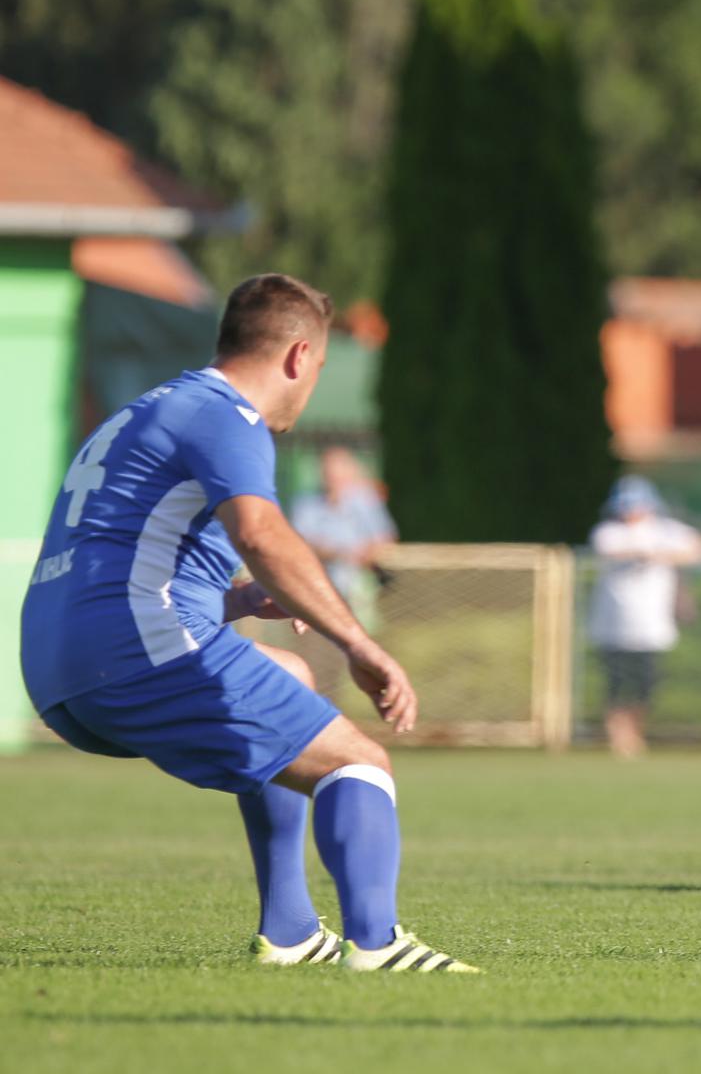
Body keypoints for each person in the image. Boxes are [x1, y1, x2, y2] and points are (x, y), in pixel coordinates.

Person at [20, 274, 477, 973]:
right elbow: (262, 534)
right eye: (319, 370)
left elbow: (119, 550)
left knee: (287, 677)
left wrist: (234, 603)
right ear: (298, 357)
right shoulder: (225, 416)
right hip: (134, 650)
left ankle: (290, 932)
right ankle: (378, 947)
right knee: (359, 763)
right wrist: (356, 641)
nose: (312, 384)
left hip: (59, 664)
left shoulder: (141, 411)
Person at [586, 475, 701, 758]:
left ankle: (635, 733)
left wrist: (664, 553)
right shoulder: (608, 532)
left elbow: (699, 548)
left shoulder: (665, 530)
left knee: (646, 683)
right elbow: (615, 550)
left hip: (652, 623)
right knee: (615, 681)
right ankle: (617, 736)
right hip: (613, 623)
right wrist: (653, 551)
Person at [290, 446, 397, 604]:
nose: (333, 478)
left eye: (338, 473)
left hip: (359, 583)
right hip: (316, 584)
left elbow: (385, 536)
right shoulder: (305, 504)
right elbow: (298, 542)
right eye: (329, 473)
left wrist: (365, 555)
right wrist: (338, 553)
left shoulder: (366, 501)